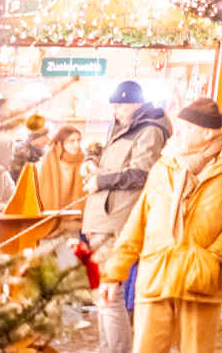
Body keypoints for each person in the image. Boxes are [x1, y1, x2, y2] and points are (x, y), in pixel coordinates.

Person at [100, 99, 222, 353]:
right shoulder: (165, 164)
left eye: (185, 128)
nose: (177, 133)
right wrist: (114, 272)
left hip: (200, 278)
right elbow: (138, 221)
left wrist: (214, 253)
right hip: (157, 273)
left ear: (207, 133)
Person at [85, 81, 171, 353]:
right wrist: (91, 160)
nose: (115, 111)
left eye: (120, 105)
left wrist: (101, 181)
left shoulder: (150, 130)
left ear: (136, 103)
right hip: (103, 217)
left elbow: (142, 174)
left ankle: (117, 350)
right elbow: (112, 159)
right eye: (113, 106)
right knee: (101, 291)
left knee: (110, 293)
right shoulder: (123, 127)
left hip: (118, 219)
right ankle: (106, 346)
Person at [37, 123, 91, 213]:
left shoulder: (85, 160)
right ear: (61, 142)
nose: (77, 144)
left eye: (79, 140)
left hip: (78, 217)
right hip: (51, 216)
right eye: (72, 141)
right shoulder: (49, 160)